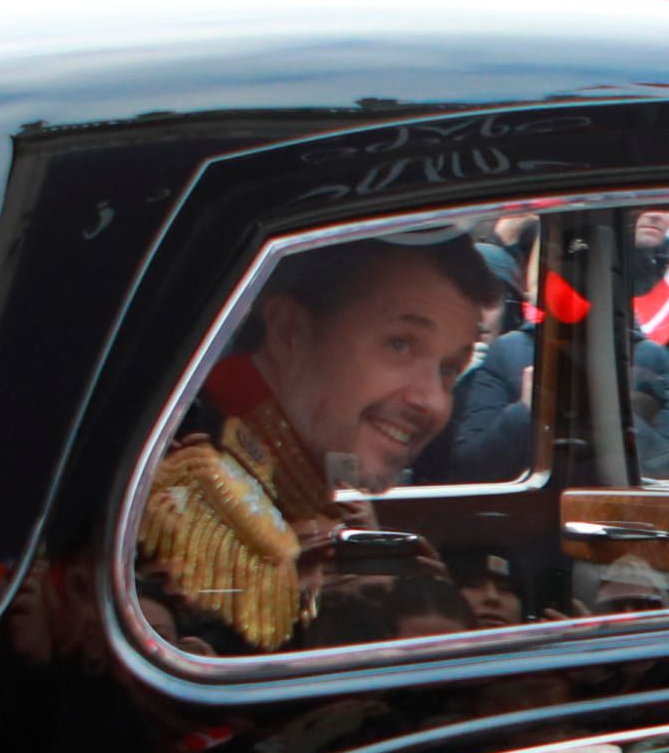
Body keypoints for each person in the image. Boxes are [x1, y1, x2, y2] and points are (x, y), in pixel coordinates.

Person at [132, 227, 502, 653]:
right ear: (290, 331)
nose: (433, 403)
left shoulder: (296, 455)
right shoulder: (188, 467)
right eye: (400, 344)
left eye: (450, 369)